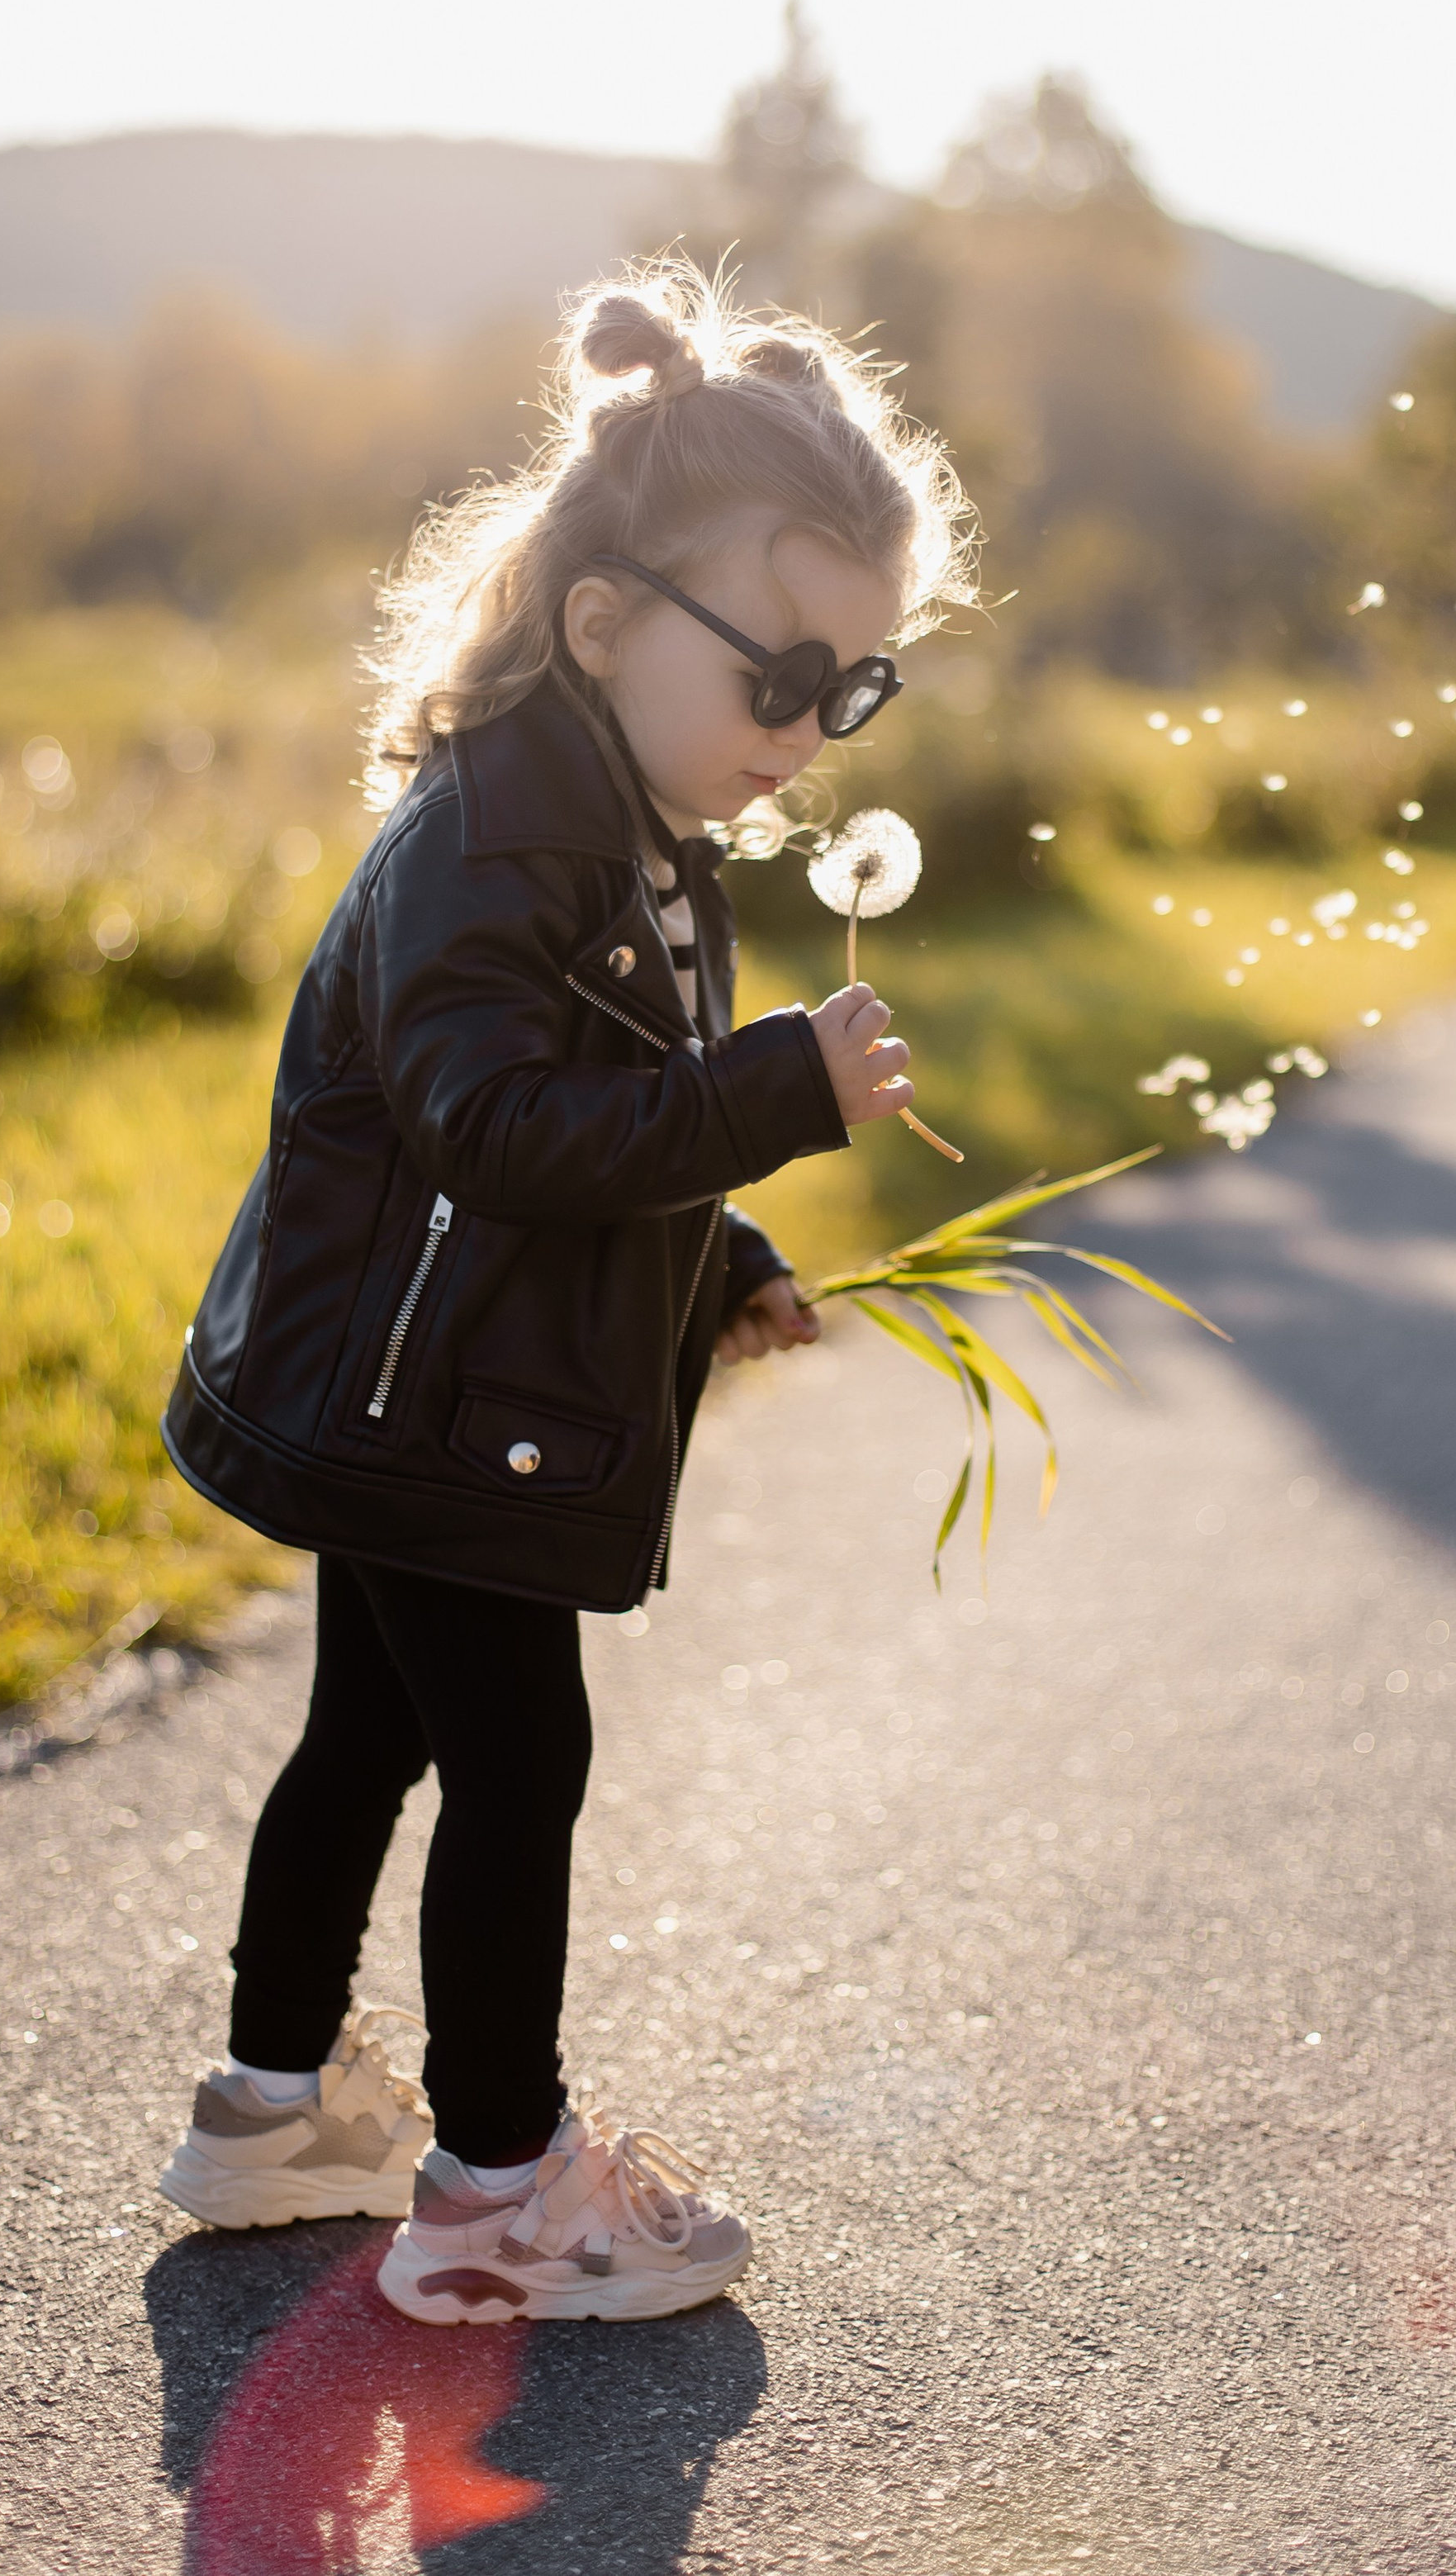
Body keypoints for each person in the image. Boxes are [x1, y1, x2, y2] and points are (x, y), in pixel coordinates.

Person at [154, 263, 976, 2322]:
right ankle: (495, 2194)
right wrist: (771, 1092)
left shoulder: (625, 821)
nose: (805, 729)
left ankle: (269, 2113)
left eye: (850, 692)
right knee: (515, 1760)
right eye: (780, 673)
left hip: (417, 1381)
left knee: (368, 1726)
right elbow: (493, 1130)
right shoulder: (507, 831)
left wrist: (723, 1244)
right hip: (426, 1395)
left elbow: (600, 1116)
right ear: (605, 624)